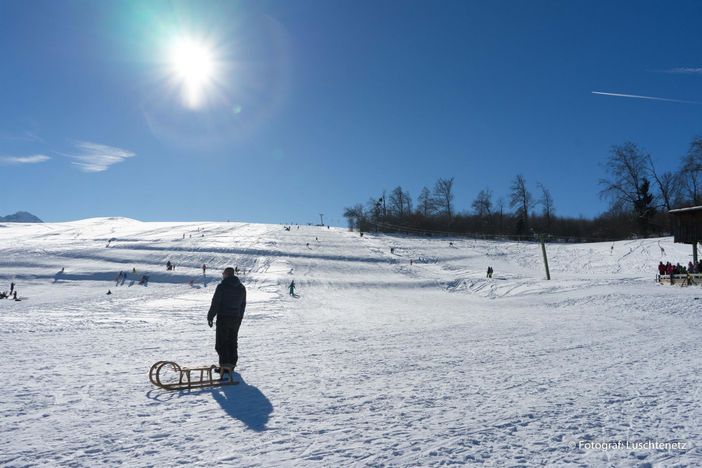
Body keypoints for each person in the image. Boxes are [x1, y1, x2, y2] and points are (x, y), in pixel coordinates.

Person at [207, 267, 247, 379]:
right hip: (235, 319)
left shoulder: (222, 286)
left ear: (227, 274)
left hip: (224, 318)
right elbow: (243, 305)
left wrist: (210, 316)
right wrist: (240, 318)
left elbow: (215, 303)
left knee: (221, 343)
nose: (222, 275)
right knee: (232, 341)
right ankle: (231, 365)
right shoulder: (241, 287)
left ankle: (224, 367)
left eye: (223, 273)